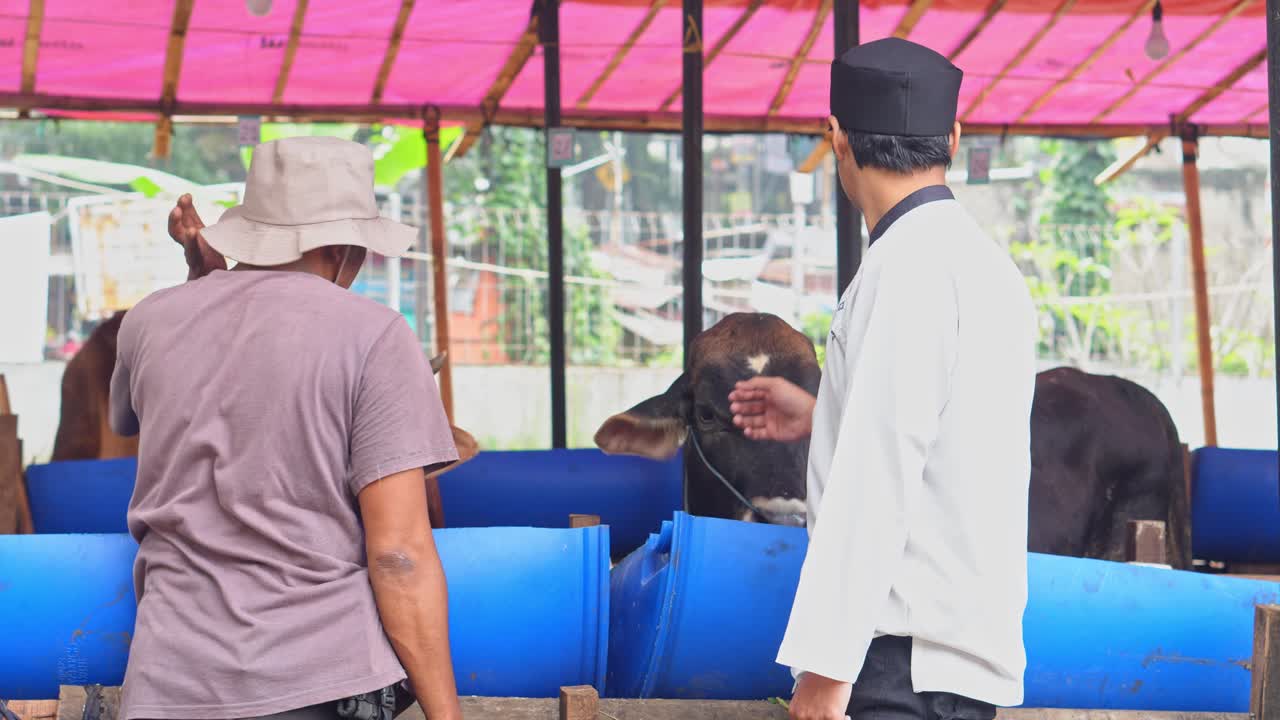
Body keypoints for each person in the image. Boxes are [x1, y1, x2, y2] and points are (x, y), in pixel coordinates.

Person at [730, 38, 1039, 720]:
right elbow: (950, 428)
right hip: (958, 665)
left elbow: (878, 475)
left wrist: (826, 670)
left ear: (835, 138)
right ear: (954, 136)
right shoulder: (988, 269)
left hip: (903, 666)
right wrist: (824, 414)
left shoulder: (903, 268)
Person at [110, 136, 463, 720]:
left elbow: (124, 419)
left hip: (164, 683)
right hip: (317, 682)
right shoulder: (375, 336)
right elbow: (399, 554)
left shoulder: (148, 320)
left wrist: (204, 283)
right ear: (348, 247)